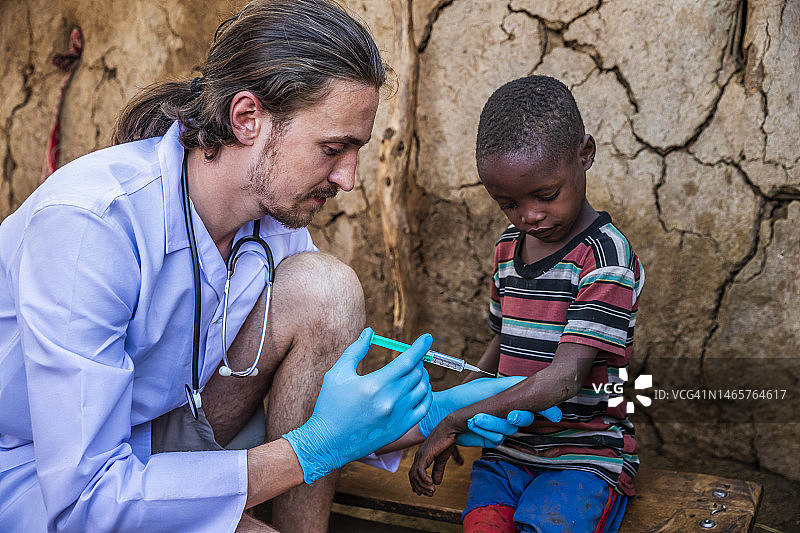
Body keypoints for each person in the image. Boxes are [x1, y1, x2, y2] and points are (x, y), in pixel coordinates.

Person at [0, 2, 549, 532]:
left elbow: (327, 420)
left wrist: (432, 416)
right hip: (42, 474)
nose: (348, 179)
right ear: (247, 119)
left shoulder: (273, 224)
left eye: (355, 151)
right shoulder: (90, 226)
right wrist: (308, 451)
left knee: (325, 290)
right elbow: (86, 501)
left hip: (157, 432)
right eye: (332, 148)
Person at [408, 75, 645, 533]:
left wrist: (456, 419)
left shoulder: (604, 258)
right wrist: (461, 406)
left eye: (546, 195)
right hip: (508, 449)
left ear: (585, 154)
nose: (529, 216)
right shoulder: (507, 247)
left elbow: (565, 378)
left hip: (583, 455)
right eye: (507, 203)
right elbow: (502, 341)